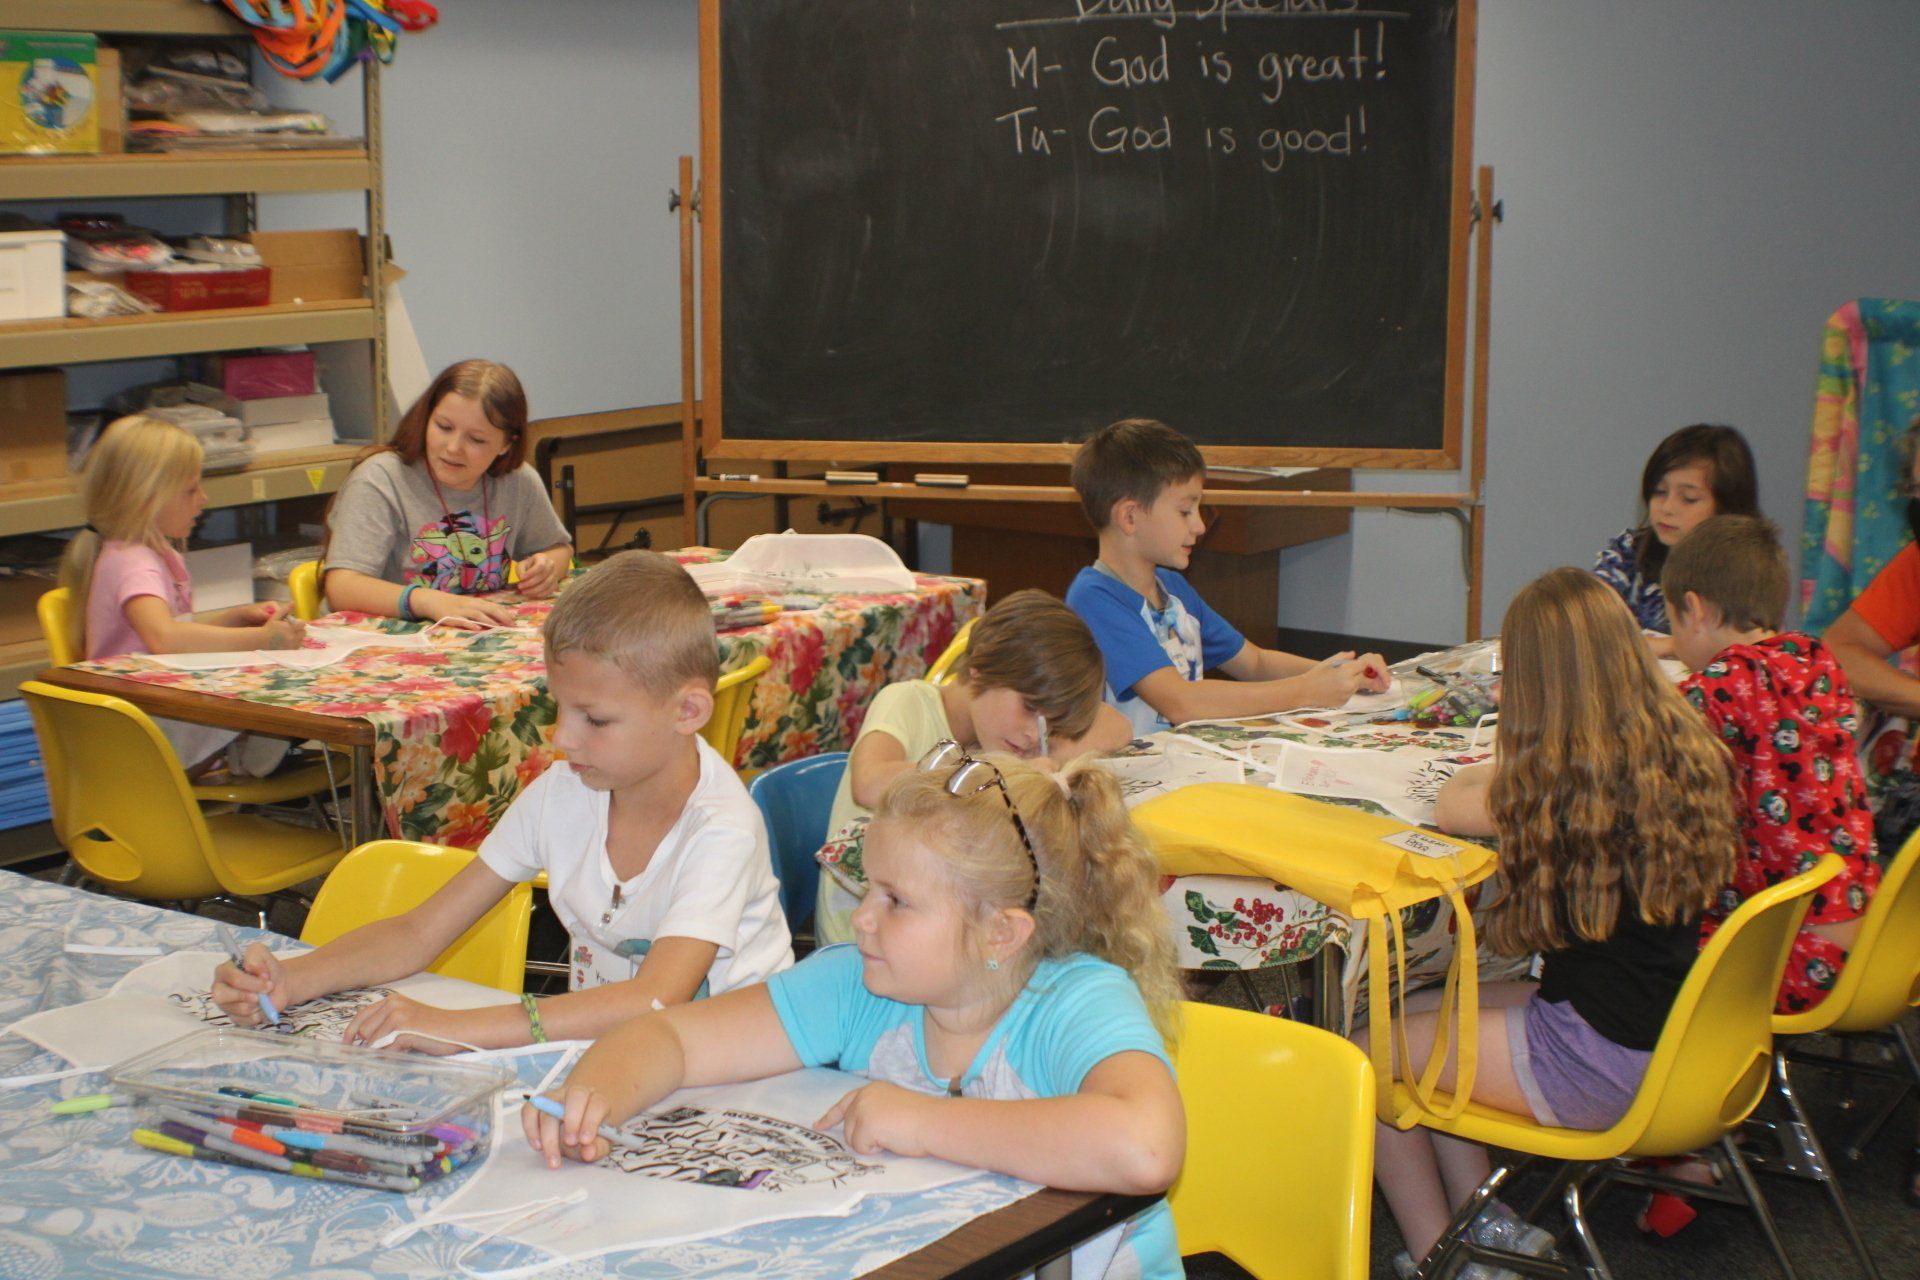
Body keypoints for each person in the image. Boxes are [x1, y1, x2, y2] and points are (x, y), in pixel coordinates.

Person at [523, 748, 1186, 1280]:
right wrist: (597, 1091)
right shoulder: (858, 984)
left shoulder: (1074, 1002)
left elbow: (1145, 1147)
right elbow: (671, 1035)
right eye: (869, 885)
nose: (862, 917)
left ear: (1000, 935)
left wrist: (924, 1121)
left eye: (897, 900)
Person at [212, 551, 792, 1052]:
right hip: (619, 1055)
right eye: (560, 708)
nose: (562, 738)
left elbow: (656, 998)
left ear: (687, 712)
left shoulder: (721, 829)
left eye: (595, 719)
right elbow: (418, 933)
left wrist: (460, 1027)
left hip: (735, 1064)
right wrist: (291, 979)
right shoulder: (565, 793)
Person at [1376, 568, 1739, 1278]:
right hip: (1675, 1034)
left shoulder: (1567, 784)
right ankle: (1481, 1222)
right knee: (1428, 1008)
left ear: (1547, 686)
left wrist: (1518, 737)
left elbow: (1456, 800)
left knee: (1369, 1054)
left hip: (1600, 1056)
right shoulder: (1676, 747)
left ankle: (1439, 1259)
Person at [813, 588, 1133, 944]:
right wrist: (990, 770)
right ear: (981, 670)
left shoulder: (1004, 738)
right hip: (863, 940)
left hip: (935, 930)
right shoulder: (909, 702)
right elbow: (869, 782)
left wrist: (1050, 753)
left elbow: (1118, 727)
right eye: (1029, 707)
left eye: (1049, 726)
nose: (1031, 736)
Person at [1666, 516, 1879, 1012]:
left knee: (1631, 943)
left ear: (1694, 610)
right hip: (1865, 935)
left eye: (1673, 622)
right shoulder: (1816, 661)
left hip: (1787, 960)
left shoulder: (1718, 688)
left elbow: (1622, 749)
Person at [1064, 418, 1388, 735]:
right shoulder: (1094, 598)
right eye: (1185, 511)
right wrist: (1306, 690)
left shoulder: (1172, 588)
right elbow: (1180, 702)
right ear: (1130, 517)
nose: (1200, 526)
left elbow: (1255, 662)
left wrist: (1347, 674)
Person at [59, 414, 306, 777]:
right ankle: (249, 744)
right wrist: (260, 637)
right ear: (146, 497)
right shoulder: (134, 562)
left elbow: (166, 634)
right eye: (190, 490)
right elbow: (163, 638)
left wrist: (233, 619)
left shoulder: (147, 551)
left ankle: (251, 743)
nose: (202, 499)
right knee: (264, 692)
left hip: (150, 705)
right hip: (141, 725)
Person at [321, 359, 572, 626]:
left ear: (506, 445)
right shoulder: (380, 479)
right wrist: (429, 601)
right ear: (426, 418)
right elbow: (342, 587)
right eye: (444, 427)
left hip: (472, 637)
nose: (453, 448)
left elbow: (558, 549)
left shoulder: (518, 481)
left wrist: (546, 568)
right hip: (383, 639)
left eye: (476, 440)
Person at [1590, 423, 1758, 639]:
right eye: (1659, 492)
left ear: (1727, 508)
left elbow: (1748, 642)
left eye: (1688, 499)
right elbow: (1590, 617)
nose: (1667, 508)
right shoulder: (1629, 549)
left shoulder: (1750, 568)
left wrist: (1668, 647)